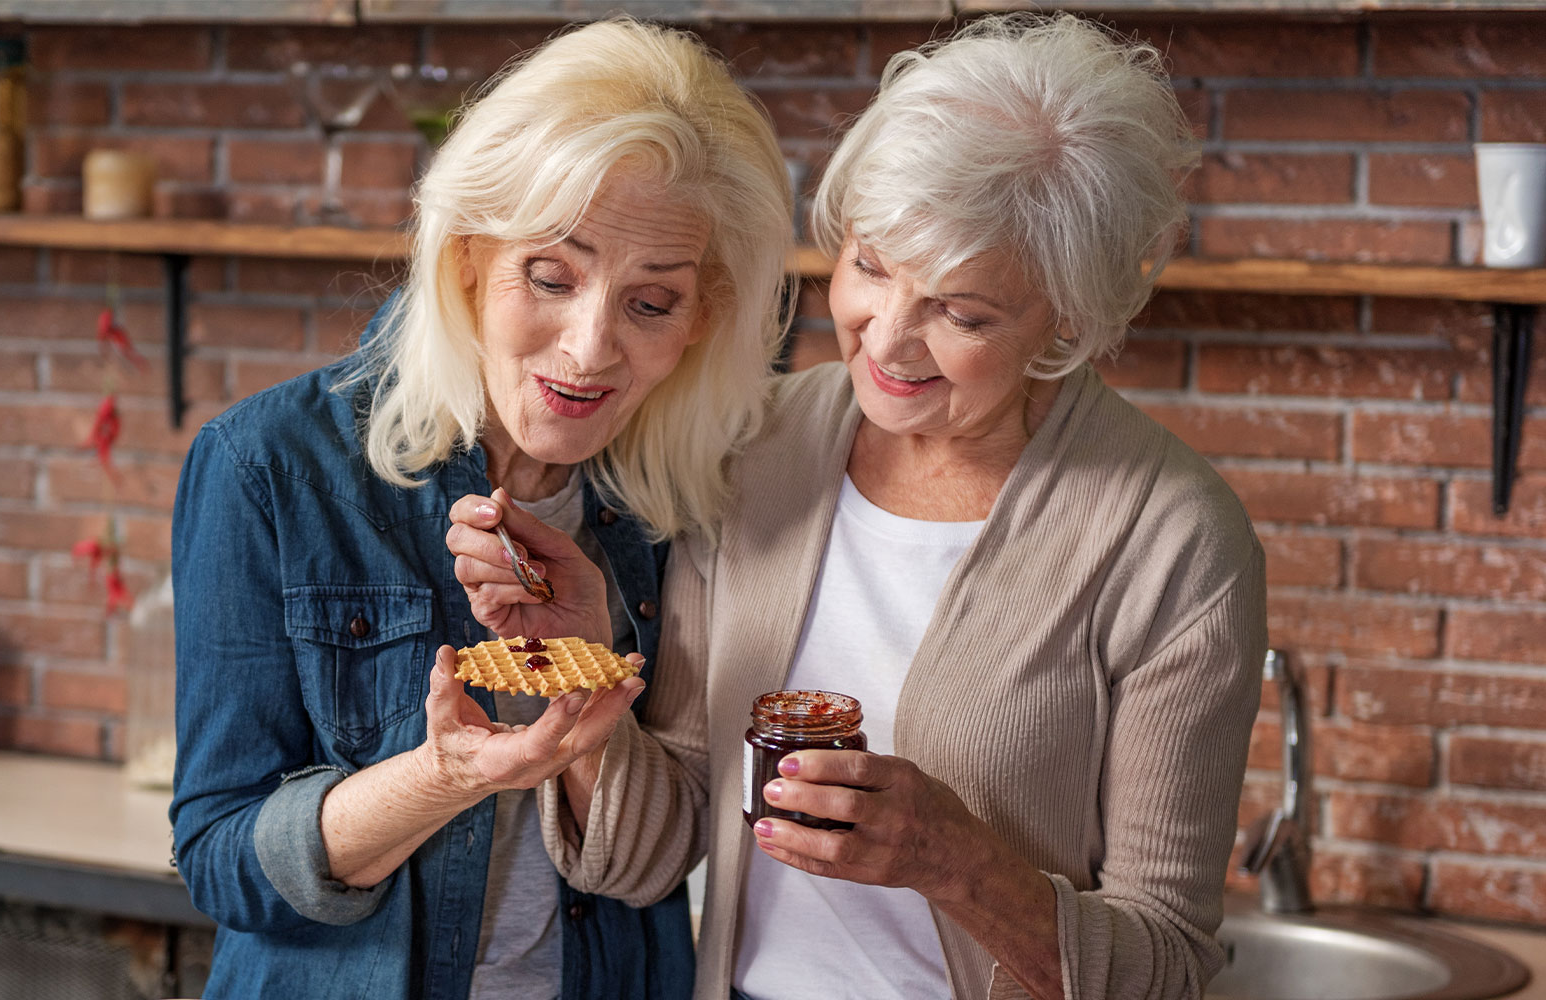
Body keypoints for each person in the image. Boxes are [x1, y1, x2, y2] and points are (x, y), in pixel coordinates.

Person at [448, 13, 1267, 1000]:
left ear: (1070, 315)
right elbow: (645, 857)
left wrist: (957, 862)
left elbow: (1168, 966)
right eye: (870, 266)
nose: (885, 339)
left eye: (961, 312)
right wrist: (577, 668)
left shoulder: (1169, 537)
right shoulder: (760, 447)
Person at [168, 17, 791, 1000]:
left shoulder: (693, 496)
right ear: (465, 259)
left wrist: (590, 687)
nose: (589, 348)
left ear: (700, 316)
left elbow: (655, 864)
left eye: (650, 302)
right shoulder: (269, 465)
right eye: (550, 275)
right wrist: (447, 774)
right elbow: (220, 860)